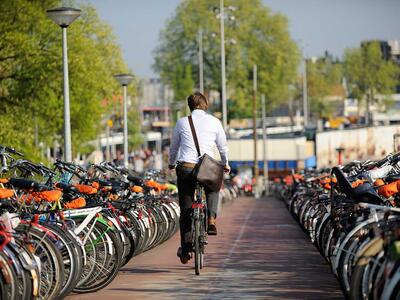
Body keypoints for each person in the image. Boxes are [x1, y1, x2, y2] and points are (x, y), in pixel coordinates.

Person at [168, 92, 230, 264]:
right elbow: (223, 147)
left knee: (186, 209)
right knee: (213, 187)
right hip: (207, 168)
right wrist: (225, 163)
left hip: (186, 168)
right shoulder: (214, 122)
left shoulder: (181, 122)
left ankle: (186, 250)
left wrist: (171, 163)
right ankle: (211, 218)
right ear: (206, 105)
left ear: (189, 106)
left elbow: (174, 147)